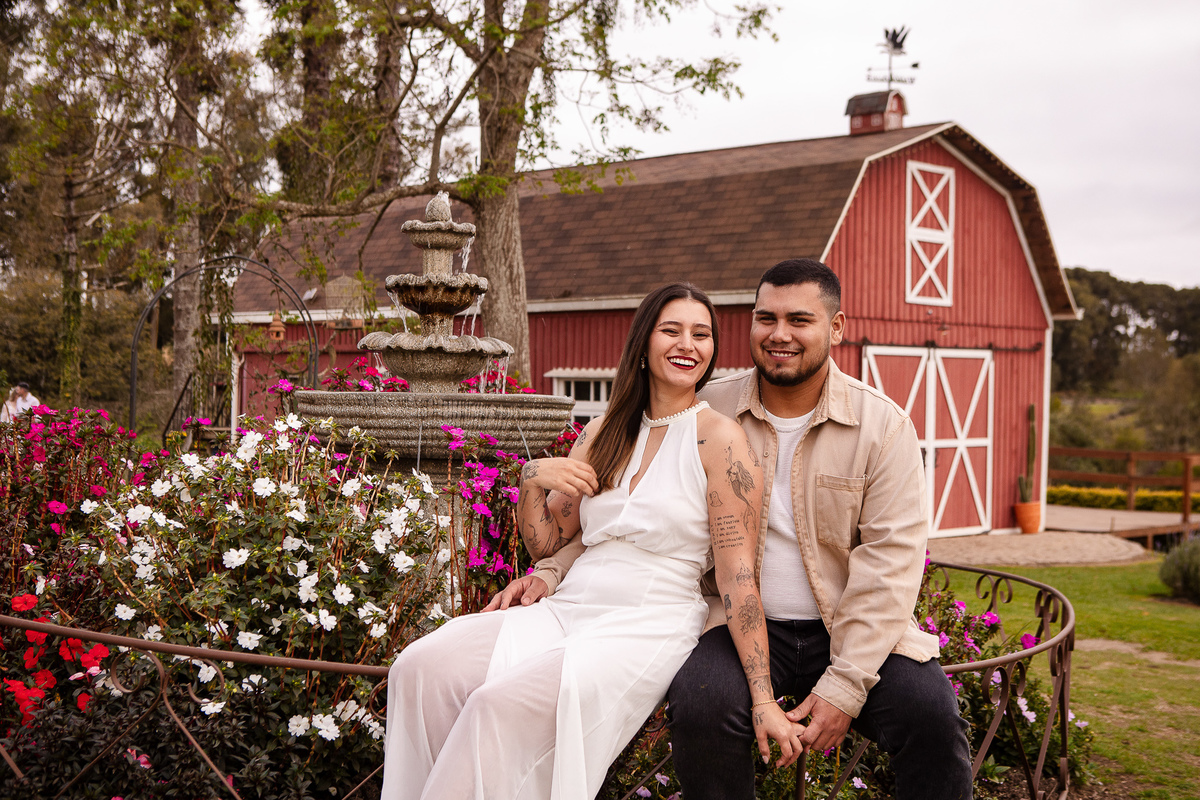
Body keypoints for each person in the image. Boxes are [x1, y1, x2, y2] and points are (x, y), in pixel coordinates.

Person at [495, 259, 973, 799]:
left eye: (799, 320)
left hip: (845, 626)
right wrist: (552, 570)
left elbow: (891, 566)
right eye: (766, 318)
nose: (779, 334)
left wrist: (844, 686)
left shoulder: (882, 427)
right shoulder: (705, 408)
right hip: (732, 621)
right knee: (703, 706)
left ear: (836, 327)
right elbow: (621, 511)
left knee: (932, 716)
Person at [379, 283, 803, 800]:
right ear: (643, 343)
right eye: (671, 330)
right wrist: (530, 480)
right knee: (421, 667)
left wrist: (763, 698)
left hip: (649, 619)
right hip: (570, 605)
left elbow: (738, 578)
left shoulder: (721, 439)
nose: (687, 345)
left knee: (497, 705)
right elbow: (547, 543)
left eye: (701, 334)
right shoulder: (603, 432)